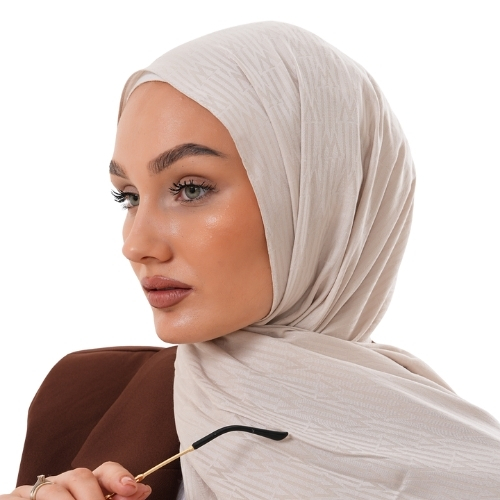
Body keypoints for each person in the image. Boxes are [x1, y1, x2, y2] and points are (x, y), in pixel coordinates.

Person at [3, 21, 500, 500]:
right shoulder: (86, 398)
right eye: (128, 196)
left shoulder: (472, 471)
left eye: (190, 189)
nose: (136, 244)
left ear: (320, 201)